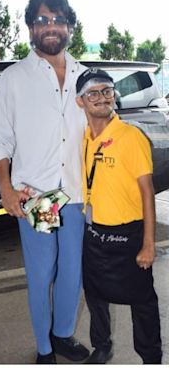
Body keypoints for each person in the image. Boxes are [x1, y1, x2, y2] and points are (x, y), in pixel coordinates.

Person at [0, 0, 89, 364]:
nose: (51, 27)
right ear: (31, 27)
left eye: (58, 20)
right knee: (42, 273)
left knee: (72, 272)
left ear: (69, 27)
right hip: (40, 196)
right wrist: (6, 188)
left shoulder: (85, 78)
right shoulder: (15, 78)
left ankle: (62, 336)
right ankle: (44, 349)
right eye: (43, 20)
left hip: (77, 195)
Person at [75, 68, 162, 364]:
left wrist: (149, 244)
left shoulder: (129, 137)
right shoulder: (85, 137)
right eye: (94, 93)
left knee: (142, 302)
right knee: (95, 296)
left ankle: (150, 358)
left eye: (108, 91)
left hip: (129, 236)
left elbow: (147, 191)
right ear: (80, 101)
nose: (102, 98)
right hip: (95, 234)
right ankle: (102, 346)